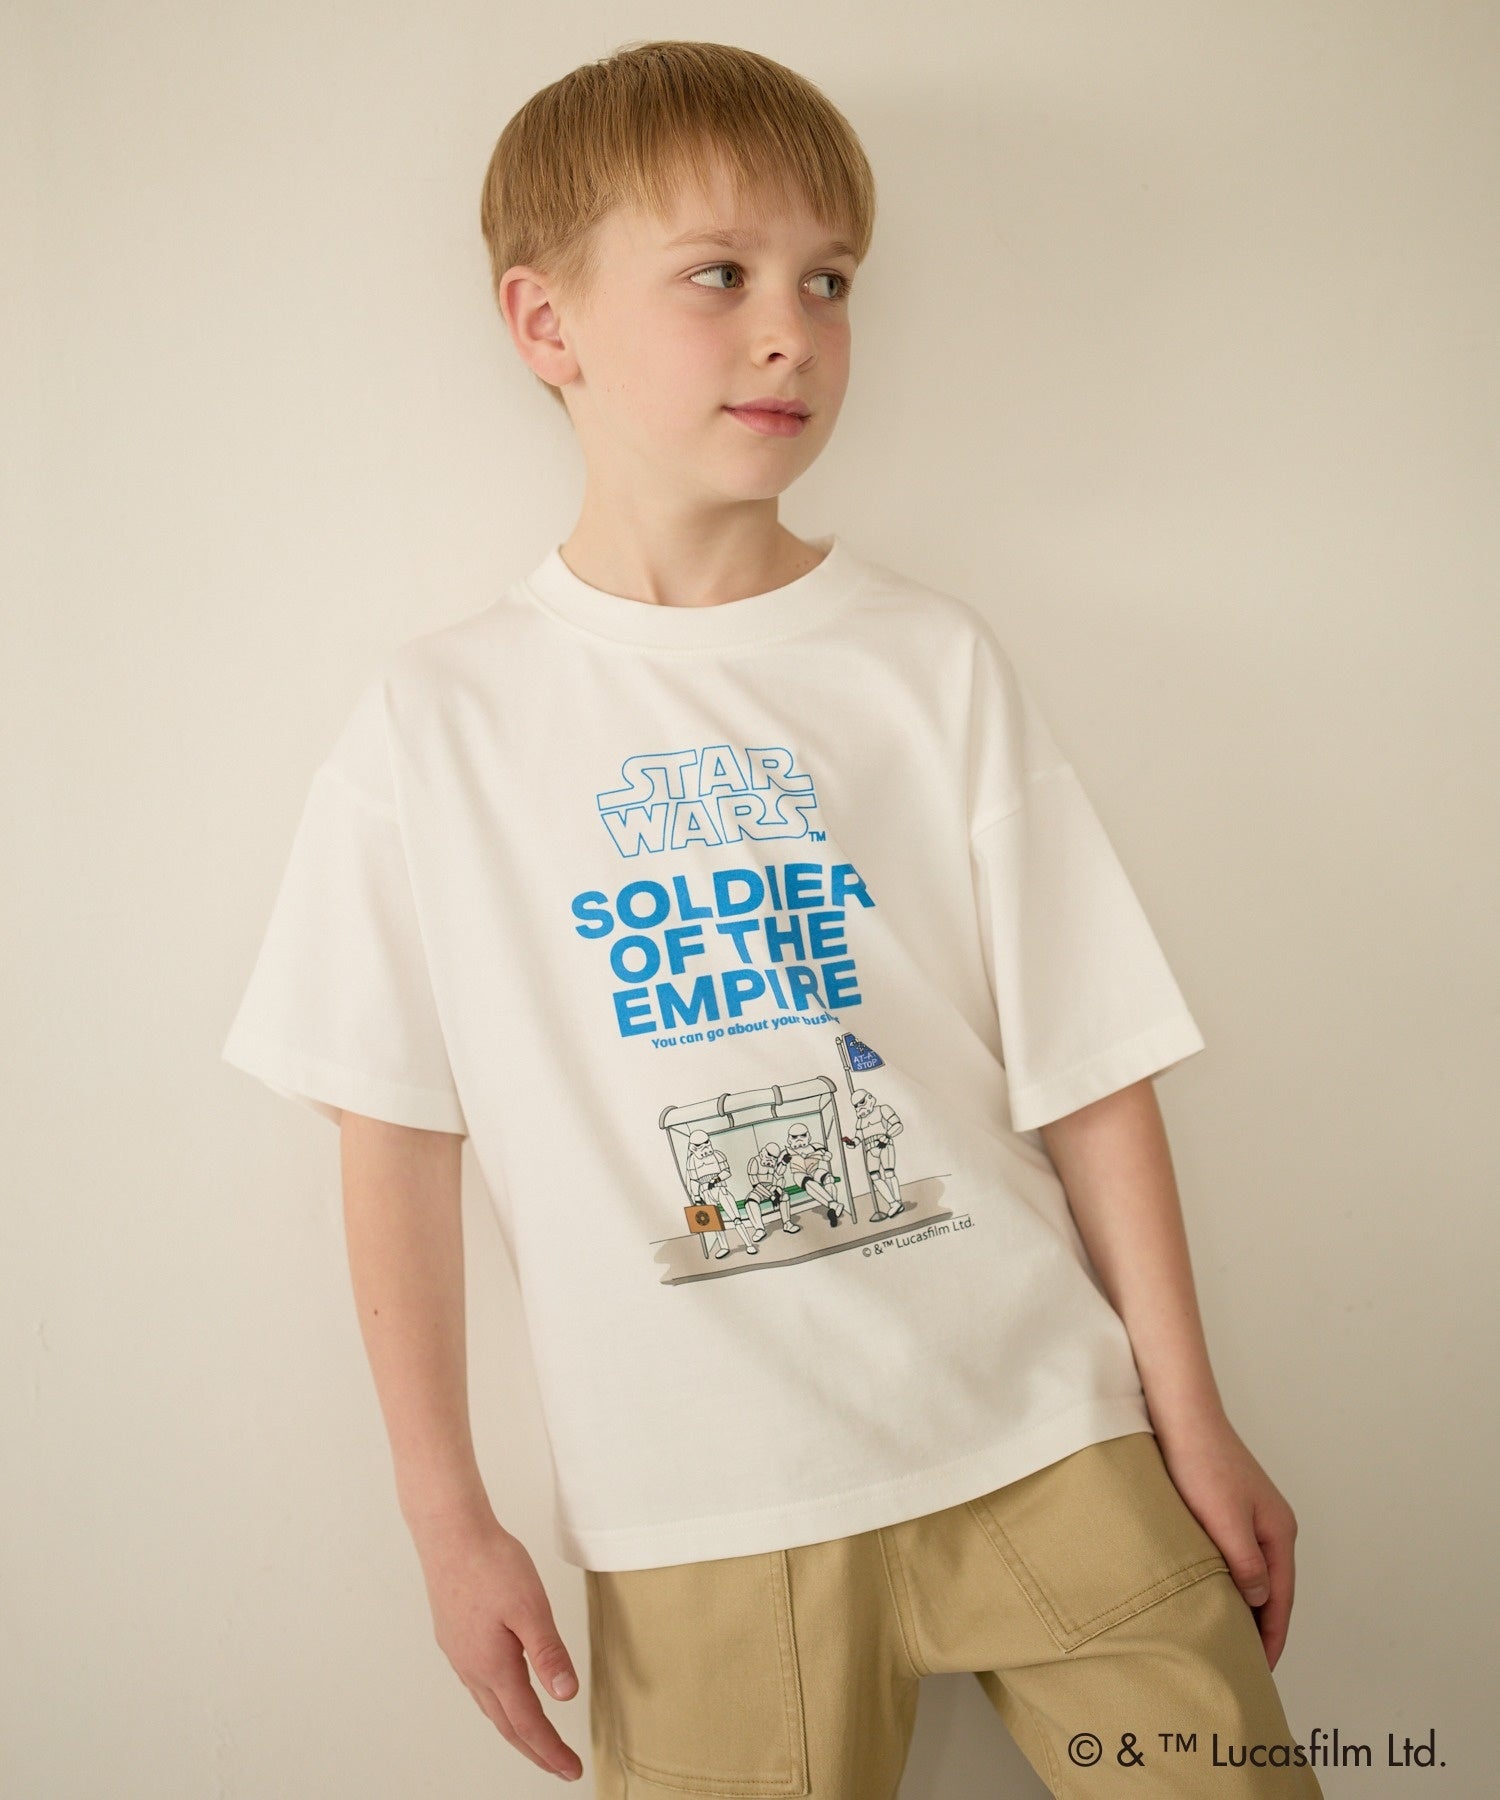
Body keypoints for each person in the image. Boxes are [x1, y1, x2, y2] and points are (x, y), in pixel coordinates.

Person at [221, 39, 1324, 1797]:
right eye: (718, 274)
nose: (792, 329)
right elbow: (392, 1140)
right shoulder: (439, 724)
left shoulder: (927, 662)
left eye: (829, 280)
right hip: (700, 1515)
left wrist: (1190, 1419)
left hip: (1044, 1438)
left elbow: (1093, 1063)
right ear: (546, 323)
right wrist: (449, 1520)